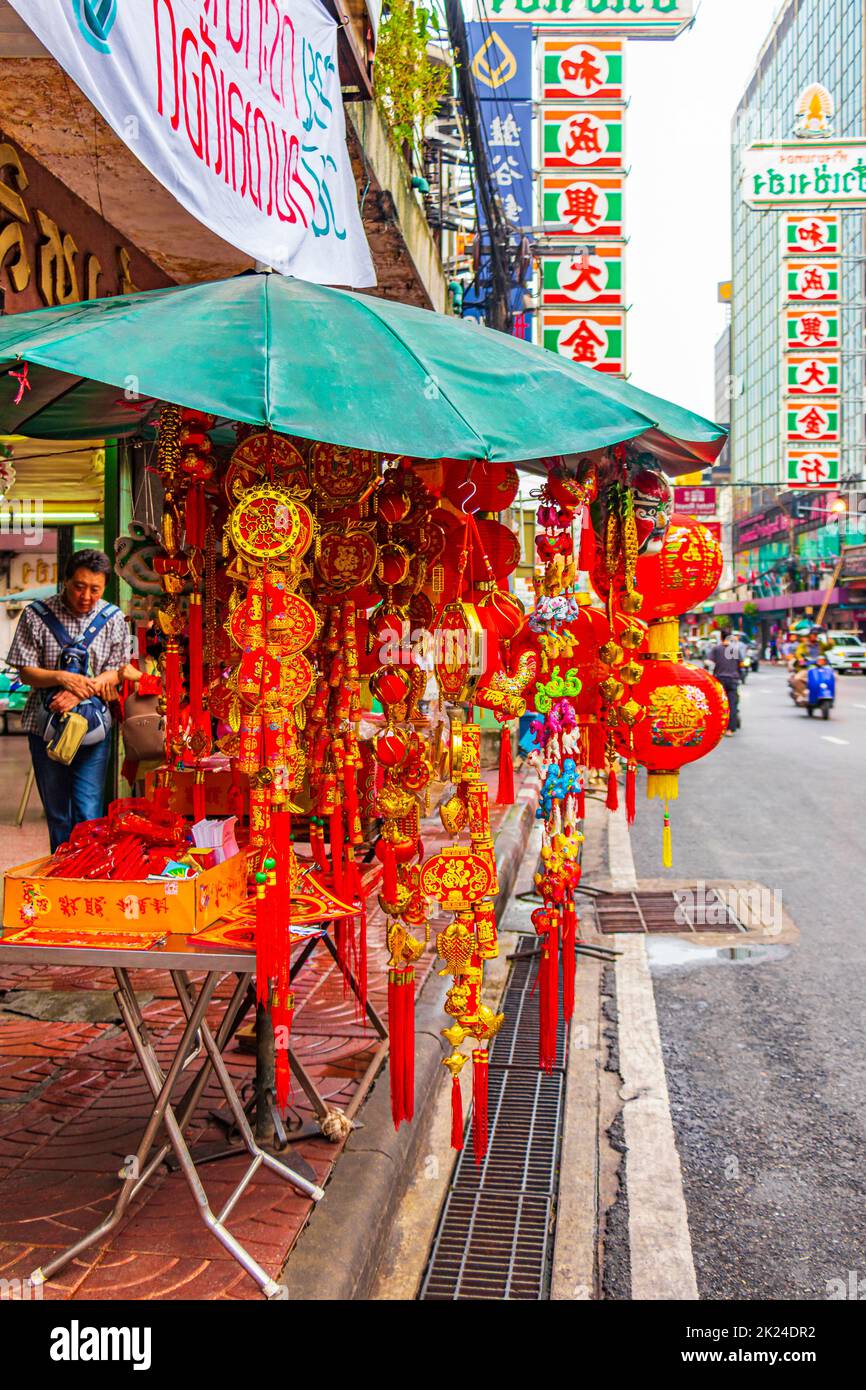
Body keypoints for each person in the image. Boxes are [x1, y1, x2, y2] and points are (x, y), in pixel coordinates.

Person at [7, 549, 139, 851]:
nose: (86, 596)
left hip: (94, 729)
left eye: (95, 589)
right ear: (65, 581)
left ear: (104, 587)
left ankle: (85, 873)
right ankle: (61, 872)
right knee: (57, 812)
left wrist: (83, 688)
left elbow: (120, 671)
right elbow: (26, 672)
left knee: (88, 809)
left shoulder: (113, 618)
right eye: (79, 586)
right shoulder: (36, 615)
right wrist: (62, 678)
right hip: (45, 728)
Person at [709, 626, 746, 735]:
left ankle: (718, 726)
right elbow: (741, 664)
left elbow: (709, 662)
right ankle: (730, 729)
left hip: (719, 680)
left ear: (720, 637)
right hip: (733, 680)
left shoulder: (716, 649)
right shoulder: (735, 650)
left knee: (718, 704)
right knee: (732, 705)